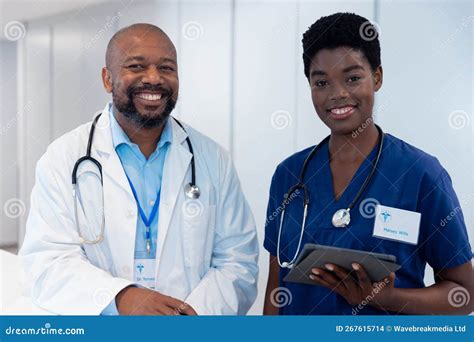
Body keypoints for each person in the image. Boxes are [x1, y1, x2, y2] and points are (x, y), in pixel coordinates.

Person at [19, 23, 258, 315]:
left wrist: (192, 313)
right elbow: (47, 261)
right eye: (136, 66)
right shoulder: (63, 157)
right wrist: (119, 298)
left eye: (167, 68)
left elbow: (238, 262)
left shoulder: (213, 159)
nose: (154, 79)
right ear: (108, 79)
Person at [263, 13, 473, 315]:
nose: (337, 94)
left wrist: (388, 299)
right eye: (321, 81)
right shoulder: (289, 174)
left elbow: (464, 294)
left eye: (352, 78)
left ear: (377, 77)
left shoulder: (422, 174)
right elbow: (276, 287)